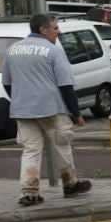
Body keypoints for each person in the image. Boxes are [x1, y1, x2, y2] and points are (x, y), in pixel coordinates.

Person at [9, 13, 91, 207]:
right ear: (43, 30)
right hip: (51, 108)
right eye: (55, 28)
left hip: (23, 109)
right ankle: (70, 184)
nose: (59, 32)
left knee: (31, 150)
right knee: (62, 145)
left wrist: (21, 99)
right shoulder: (53, 51)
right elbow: (65, 85)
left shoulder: (13, 50)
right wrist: (76, 113)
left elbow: (8, 84)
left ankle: (29, 193)